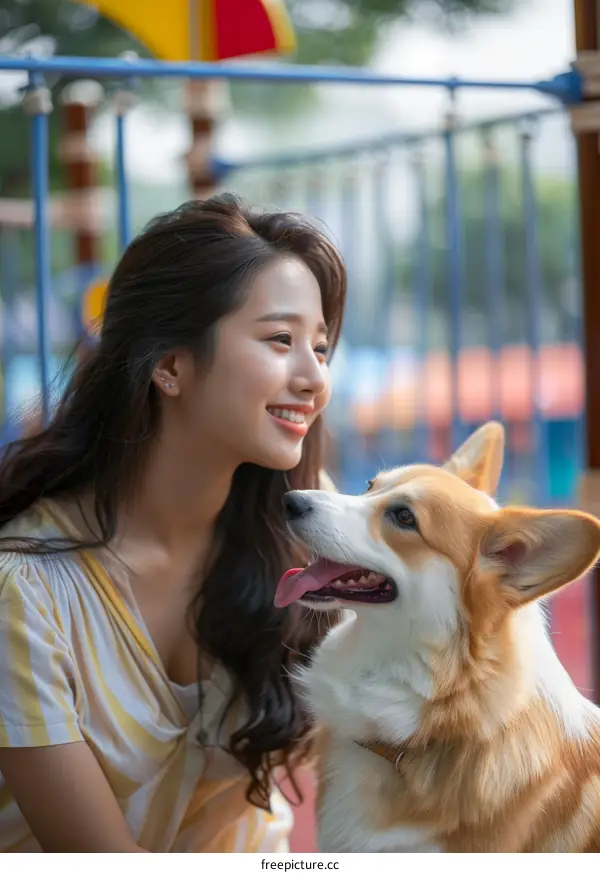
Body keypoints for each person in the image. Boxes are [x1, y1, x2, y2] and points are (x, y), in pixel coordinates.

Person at [0, 194, 346, 853]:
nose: (314, 378)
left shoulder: (302, 528)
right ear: (170, 365)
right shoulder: (26, 589)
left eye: (321, 347)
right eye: (281, 340)